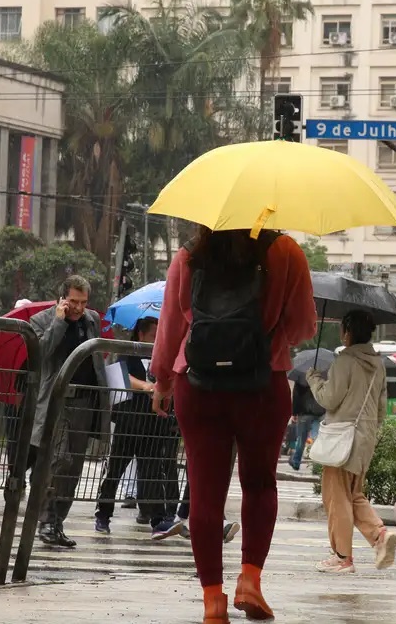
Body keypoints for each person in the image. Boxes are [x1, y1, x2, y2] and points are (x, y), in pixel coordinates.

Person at [151, 226, 316, 624]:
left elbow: (171, 325)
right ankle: (250, 581)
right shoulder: (285, 251)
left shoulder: (189, 255)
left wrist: (161, 380)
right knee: (259, 484)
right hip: (262, 382)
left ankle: (212, 600)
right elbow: (302, 328)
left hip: (198, 382)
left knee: (206, 492)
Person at [306, 310, 396, 574]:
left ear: (347, 331)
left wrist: (314, 381)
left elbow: (328, 399)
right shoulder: (378, 363)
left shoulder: (345, 361)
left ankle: (342, 557)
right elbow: (381, 407)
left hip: (342, 437)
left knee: (336, 497)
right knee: (353, 494)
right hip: (365, 437)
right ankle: (379, 535)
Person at [30, 275, 110, 548]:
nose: (78, 308)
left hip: (86, 402)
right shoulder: (42, 320)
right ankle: (45, 519)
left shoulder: (92, 320)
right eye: (73, 302)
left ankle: (58, 522)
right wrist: (59, 321)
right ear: (62, 298)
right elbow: (40, 353)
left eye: (83, 302)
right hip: (58, 401)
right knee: (59, 459)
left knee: (74, 467)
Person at [95, 315, 172, 535]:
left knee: (153, 472)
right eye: (152, 336)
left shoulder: (163, 355)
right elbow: (122, 376)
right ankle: (103, 513)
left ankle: (157, 518)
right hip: (129, 421)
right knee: (116, 469)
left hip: (153, 424)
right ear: (141, 334)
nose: (156, 340)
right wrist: (147, 387)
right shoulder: (128, 351)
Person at [289, 379, 325, 471]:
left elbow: (296, 396)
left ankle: (296, 462)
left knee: (301, 439)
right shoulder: (322, 375)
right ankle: (317, 466)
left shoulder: (301, 377)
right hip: (320, 412)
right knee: (317, 438)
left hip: (304, 413)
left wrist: (294, 412)